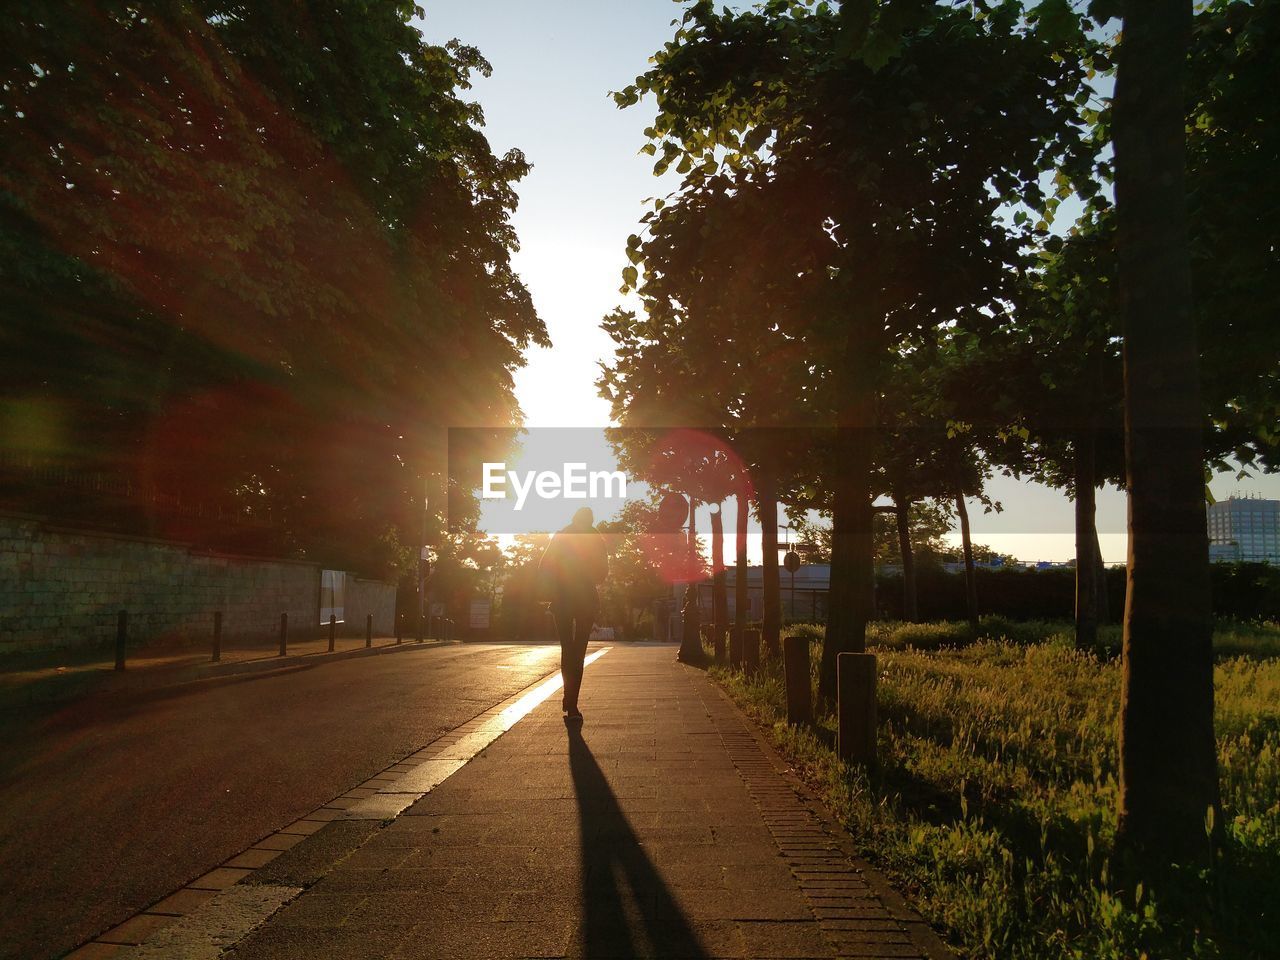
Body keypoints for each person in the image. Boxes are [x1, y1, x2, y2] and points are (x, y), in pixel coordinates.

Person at [538, 507, 608, 720]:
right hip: (585, 600)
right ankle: (572, 703)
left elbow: (544, 567)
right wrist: (587, 575)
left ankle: (570, 701)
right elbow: (602, 573)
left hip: (562, 600)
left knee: (568, 650)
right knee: (577, 652)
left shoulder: (561, 536)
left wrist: (556, 583)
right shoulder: (596, 539)